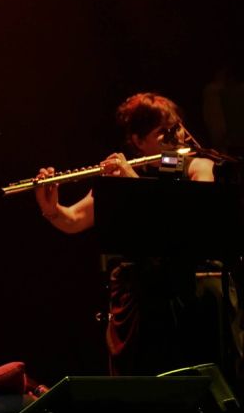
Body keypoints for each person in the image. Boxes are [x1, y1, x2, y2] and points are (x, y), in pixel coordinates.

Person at [34, 92, 225, 376]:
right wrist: (51, 209)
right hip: (141, 301)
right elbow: (74, 220)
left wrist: (132, 182)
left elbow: (185, 222)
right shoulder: (126, 171)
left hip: (186, 295)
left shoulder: (196, 166)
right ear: (138, 141)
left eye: (176, 127)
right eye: (163, 131)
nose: (176, 137)